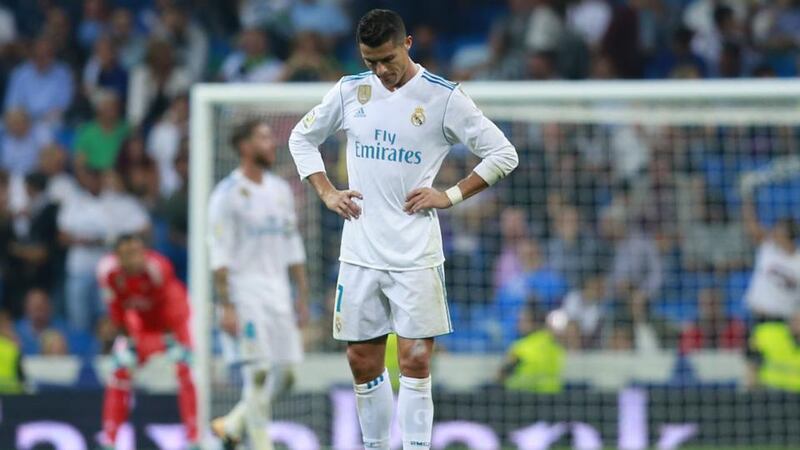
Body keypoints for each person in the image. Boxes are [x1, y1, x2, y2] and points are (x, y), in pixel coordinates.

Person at [288, 9, 518, 450]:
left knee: (414, 357)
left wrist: (448, 195)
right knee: (361, 358)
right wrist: (326, 191)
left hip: (415, 251)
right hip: (359, 249)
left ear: (408, 44)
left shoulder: (443, 98)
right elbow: (302, 137)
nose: (381, 70)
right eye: (371, 60)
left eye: (388, 58)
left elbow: (503, 154)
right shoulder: (350, 91)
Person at [208, 119, 309, 450]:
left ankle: (233, 423)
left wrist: (302, 296)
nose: (272, 144)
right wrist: (226, 306)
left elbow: (292, 245)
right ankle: (261, 444)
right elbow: (219, 256)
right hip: (244, 291)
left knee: (289, 374)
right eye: (264, 138)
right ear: (245, 146)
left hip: (279, 290)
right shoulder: (227, 194)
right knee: (260, 370)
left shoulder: (280, 190)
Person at [96, 234, 198, 449]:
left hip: (173, 322)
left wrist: (160, 341)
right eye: (128, 254)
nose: (135, 259)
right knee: (118, 371)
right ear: (118, 257)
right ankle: (109, 440)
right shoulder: (107, 272)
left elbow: (168, 308)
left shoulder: (158, 269)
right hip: (139, 325)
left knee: (186, 369)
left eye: (138, 253)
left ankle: (193, 438)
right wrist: (129, 336)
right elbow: (117, 310)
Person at [741, 189, 800, 320]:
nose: (773, 232)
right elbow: (751, 226)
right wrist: (747, 197)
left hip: (785, 321)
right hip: (758, 317)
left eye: (778, 230)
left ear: (786, 235)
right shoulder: (769, 247)